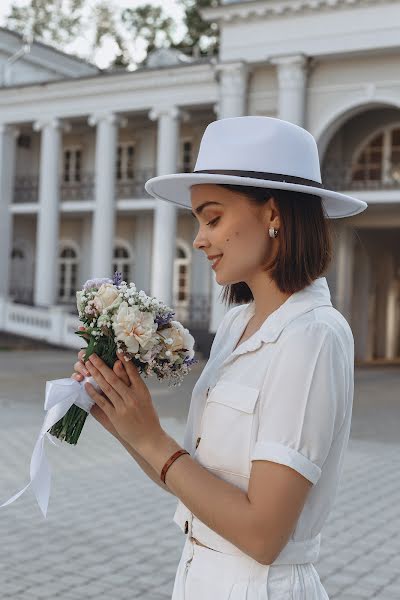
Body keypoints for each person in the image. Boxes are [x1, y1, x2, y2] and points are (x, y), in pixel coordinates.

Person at [71, 116, 368, 599]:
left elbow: (262, 535)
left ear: (273, 213)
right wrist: (122, 417)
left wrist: (152, 437)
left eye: (213, 218)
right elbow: (189, 481)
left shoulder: (312, 335)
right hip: (197, 577)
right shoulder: (237, 325)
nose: (199, 239)